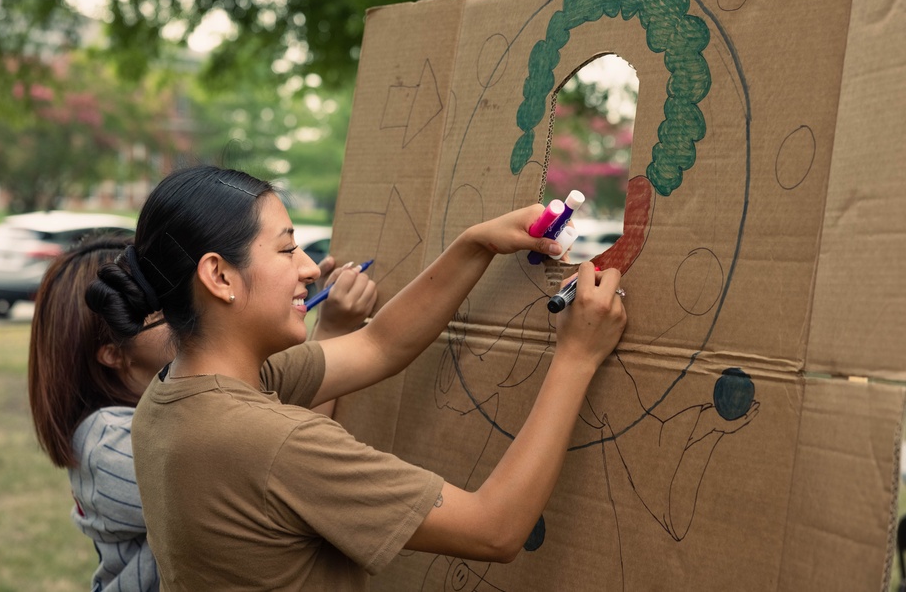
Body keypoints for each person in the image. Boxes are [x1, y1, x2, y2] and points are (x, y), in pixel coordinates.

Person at [86, 165, 626, 591]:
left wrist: (476, 244)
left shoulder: (173, 392)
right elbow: (495, 528)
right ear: (219, 276)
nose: (308, 267)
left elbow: (379, 344)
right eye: (285, 248)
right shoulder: (269, 441)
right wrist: (576, 357)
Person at [28, 233, 374, 592]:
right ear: (112, 353)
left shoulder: (180, 398)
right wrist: (332, 329)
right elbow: (283, 470)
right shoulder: (108, 444)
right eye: (165, 306)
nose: (190, 309)